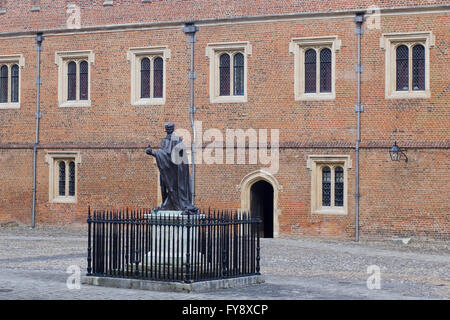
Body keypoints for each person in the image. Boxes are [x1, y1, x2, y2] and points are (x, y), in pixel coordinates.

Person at [146, 122, 198, 214]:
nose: (169, 130)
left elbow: (172, 155)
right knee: (163, 185)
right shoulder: (167, 141)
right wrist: (154, 153)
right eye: (168, 128)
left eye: (170, 128)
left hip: (175, 171)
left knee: (170, 187)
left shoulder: (176, 140)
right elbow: (165, 155)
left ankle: (174, 204)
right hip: (166, 170)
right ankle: (165, 204)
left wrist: (154, 153)